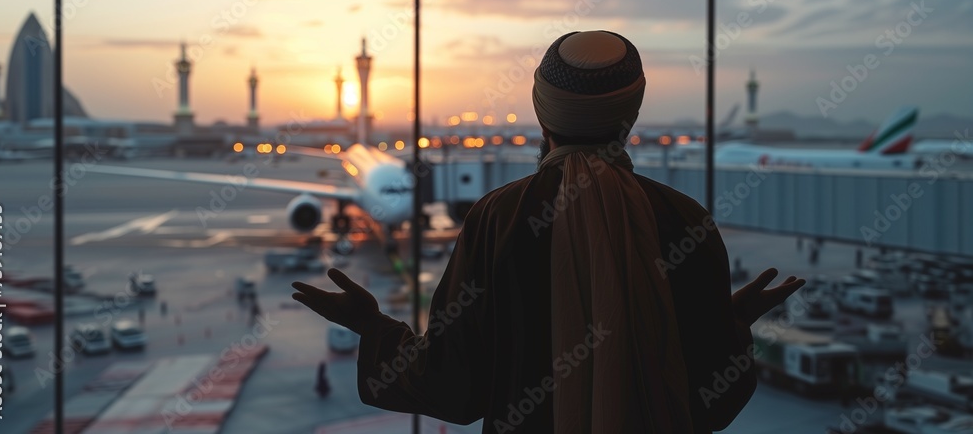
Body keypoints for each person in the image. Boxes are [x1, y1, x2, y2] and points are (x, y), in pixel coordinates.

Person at [293, 30, 805, 433]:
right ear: (631, 115)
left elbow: (452, 386)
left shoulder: (499, 217)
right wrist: (731, 323)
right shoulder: (686, 219)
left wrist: (372, 327)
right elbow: (713, 401)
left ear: (542, 114)